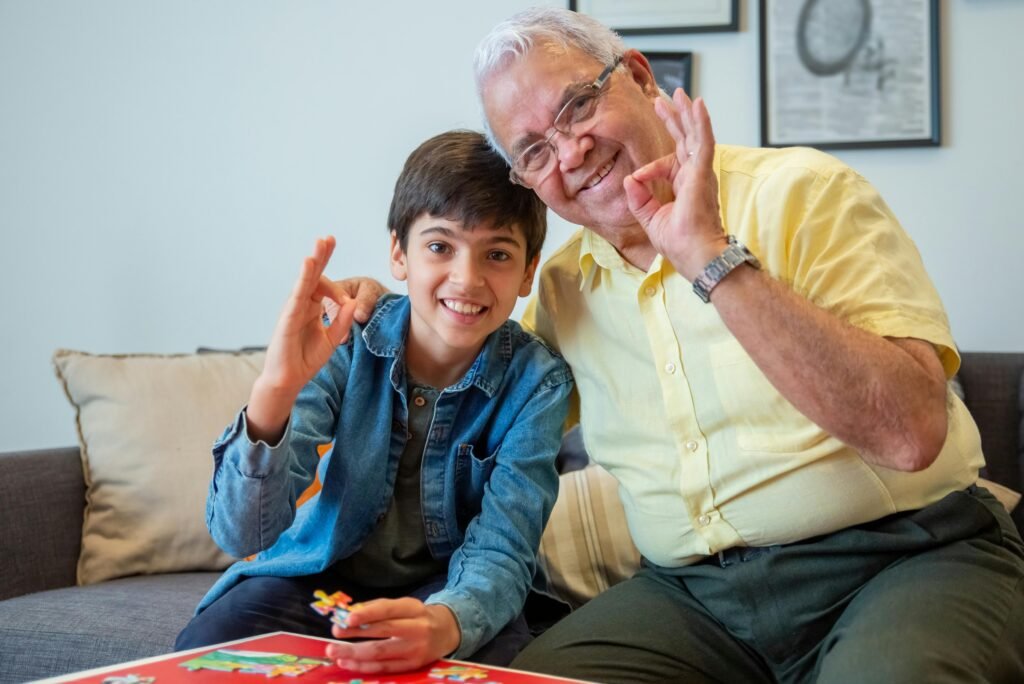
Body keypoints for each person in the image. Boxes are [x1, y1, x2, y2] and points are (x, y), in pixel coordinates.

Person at [339, 8, 1024, 683]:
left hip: (903, 556)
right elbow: (471, 389)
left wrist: (708, 257)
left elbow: (910, 433)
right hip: (696, 599)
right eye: (535, 150)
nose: (571, 151)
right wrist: (383, 319)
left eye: (577, 106)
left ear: (638, 77)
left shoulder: (803, 192)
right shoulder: (562, 288)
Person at [174, 130, 573, 675]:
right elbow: (241, 536)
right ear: (398, 253)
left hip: (452, 591)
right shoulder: (349, 338)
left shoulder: (538, 384)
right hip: (323, 578)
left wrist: (445, 622)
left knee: (496, 661)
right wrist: (274, 394)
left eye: (497, 254)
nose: (467, 278)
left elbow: (502, 552)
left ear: (528, 271)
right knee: (215, 638)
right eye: (439, 246)